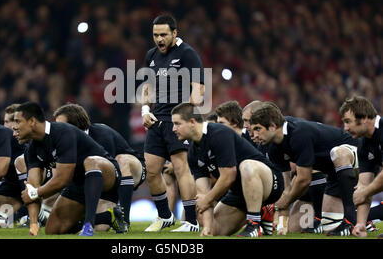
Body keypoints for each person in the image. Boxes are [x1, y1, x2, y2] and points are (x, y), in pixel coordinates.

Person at [171, 103, 284, 237]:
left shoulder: (218, 133)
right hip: (239, 192)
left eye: (177, 124)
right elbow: (203, 192)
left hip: (270, 182)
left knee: (246, 166)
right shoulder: (193, 154)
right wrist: (208, 228)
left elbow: (229, 176)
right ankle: (262, 212)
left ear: (192, 122)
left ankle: (253, 224)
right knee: (215, 230)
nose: (173, 128)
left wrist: (207, 199)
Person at [250, 102, 360, 236]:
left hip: (355, 157)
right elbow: (286, 188)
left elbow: (304, 180)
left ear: (273, 126)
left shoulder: (298, 133)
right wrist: (282, 223)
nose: (254, 135)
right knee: (328, 226)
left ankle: (352, 220)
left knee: (338, 153)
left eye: (257, 129)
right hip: (333, 173)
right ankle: (358, 218)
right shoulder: (273, 148)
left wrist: (287, 201)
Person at [13, 101, 121, 237]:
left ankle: (89, 225)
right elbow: (32, 188)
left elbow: (63, 179)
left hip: (106, 174)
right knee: (53, 230)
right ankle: (108, 216)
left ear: (32, 121)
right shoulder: (32, 151)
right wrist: (34, 224)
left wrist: (35, 193)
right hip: (78, 182)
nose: (14, 127)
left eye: (18, 121)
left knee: (90, 161)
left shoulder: (62, 131)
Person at [141, 14, 205, 232]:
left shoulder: (188, 54)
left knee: (180, 169)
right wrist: (144, 110)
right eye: (155, 35)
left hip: (178, 122)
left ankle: (191, 221)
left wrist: (183, 118)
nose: (158, 39)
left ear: (174, 33)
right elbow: (148, 88)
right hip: (157, 120)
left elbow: (198, 92)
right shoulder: (151, 55)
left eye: (163, 35)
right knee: (151, 169)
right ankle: (165, 216)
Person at [53, 103, 146, 231]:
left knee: (121, 160)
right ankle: (106, 217)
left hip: (128, 171)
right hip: (95, 181)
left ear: (75, 125)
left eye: (62, 125)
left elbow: (113, 173)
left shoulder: (101, 135)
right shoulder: (65, 142)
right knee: (100, 228)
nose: (58, 129)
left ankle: (124, 220)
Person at [339, 96, 383, 237]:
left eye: (348, 122)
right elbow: (363, 185)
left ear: (363, 118)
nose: (345, 128)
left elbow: (365, 191)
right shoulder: (364, 145)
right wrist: (360, 224)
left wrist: (365, 192)